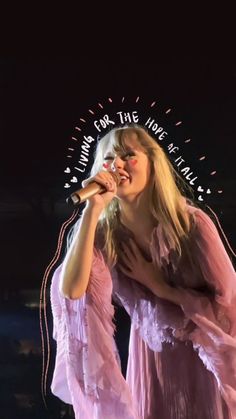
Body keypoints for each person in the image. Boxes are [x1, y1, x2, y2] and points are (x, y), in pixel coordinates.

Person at [50, 125, 236, 419]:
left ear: (153, 164)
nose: (117, 165)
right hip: (150, 358)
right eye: (109, 158)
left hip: (203, 362)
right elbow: (72, 291)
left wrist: (160, 288)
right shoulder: (107, 233)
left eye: (128, 155)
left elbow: (228, 306)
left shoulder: (192, 226)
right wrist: (92, 211)